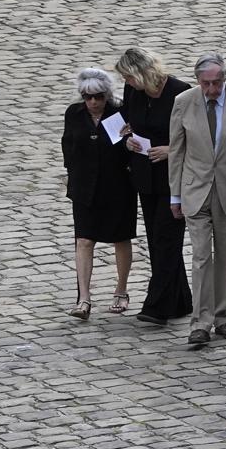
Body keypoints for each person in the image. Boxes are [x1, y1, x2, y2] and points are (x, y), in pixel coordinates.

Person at [159, 54, 226, 348]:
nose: (212, 89)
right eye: (206, 84)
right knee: (201, 255)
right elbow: (177, 151)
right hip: (196, 190)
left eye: (217, 83)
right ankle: (200, 322)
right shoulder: (184, 102)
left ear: (225, 79)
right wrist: (175, 194)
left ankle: (223, 316)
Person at [114, 49, 193, 329]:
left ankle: (156, 305)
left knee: (166, 239)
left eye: (128, 77)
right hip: (146, 177)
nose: (126, 82)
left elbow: (199, 135)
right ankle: (180, 300)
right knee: (158, 239)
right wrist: (128, 141)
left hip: (175, 178)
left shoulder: (180, 93)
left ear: (142, 73)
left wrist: (172, 150)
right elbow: (123, 123)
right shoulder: (133, 91)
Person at [64, 67, 143, 321]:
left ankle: (121, 290)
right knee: (84, 240)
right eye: (88, 97)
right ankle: (83, 297)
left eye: (98, 97)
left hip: (118, 187)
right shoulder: (74, 114)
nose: (93, 102)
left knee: (120, 238)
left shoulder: (118, 113)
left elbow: (129, 149)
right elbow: (68, 146)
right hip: (85, 188)